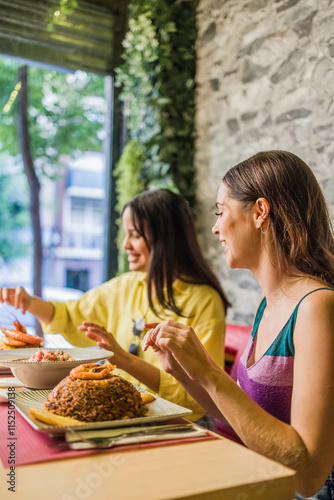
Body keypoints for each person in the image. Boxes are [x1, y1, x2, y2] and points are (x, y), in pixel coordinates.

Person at [141, 151, 334, 499]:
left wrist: (209, 373)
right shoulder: (267, 305)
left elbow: (308, 476)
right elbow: (240, 415)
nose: (215, 227)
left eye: (221, 211)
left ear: (260, 212)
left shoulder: (317, 306)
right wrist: (185, 370)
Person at [0, 188, 230, 428]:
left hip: (184, 424)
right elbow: (71, 315)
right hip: (129, 416)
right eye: (125, 234)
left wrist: (125, 361)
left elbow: (202, 395)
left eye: (135, 235)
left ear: (165, 238)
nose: (125, 245)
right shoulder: (126, 285)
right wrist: (28, 302)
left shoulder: (204, 301)